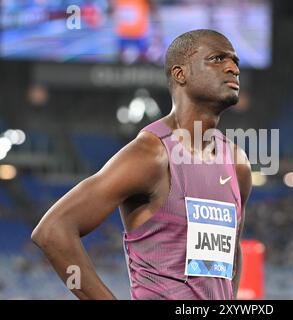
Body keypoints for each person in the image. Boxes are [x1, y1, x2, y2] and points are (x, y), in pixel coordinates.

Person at [31, 29, 252, 300]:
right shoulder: (151, 154)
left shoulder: (237, 163)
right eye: (217, 59)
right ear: (180, 74)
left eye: (235, 61)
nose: (232, 68)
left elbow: (232, 250)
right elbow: (53, 231)